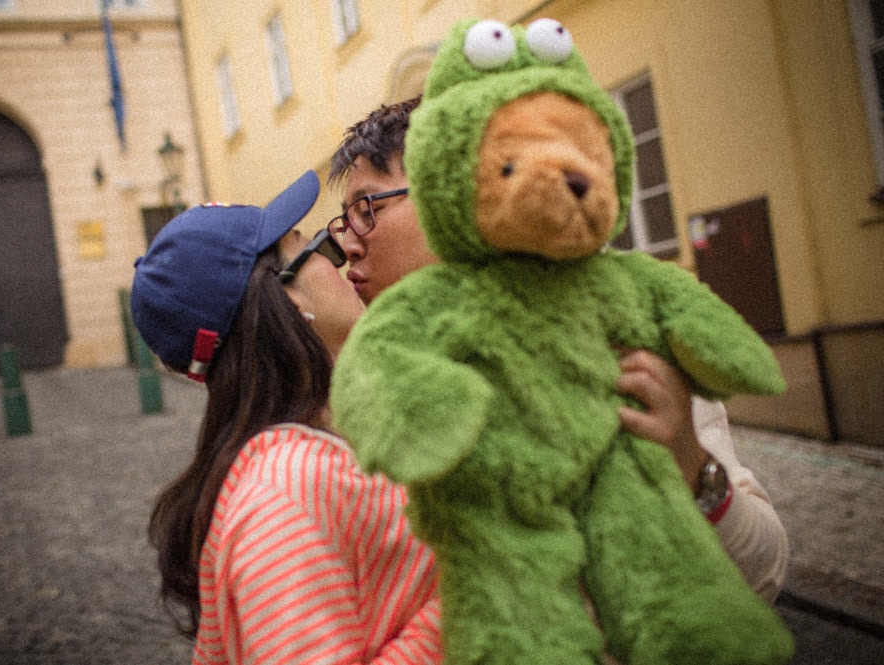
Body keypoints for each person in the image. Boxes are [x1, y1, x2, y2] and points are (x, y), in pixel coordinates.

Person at [326, 96, 788, 602]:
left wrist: (692, 469)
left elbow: (762, 575)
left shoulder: (620, 340)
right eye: (345, 220)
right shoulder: (367, 393)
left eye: (367, 209)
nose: (348, 241)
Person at [130, 170, 442, 664]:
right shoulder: (282, 495)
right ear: (292, 302)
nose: (338, 252)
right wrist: (482, 591)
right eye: (315, 246)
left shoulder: (344, 432)